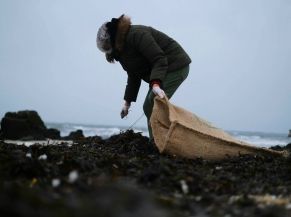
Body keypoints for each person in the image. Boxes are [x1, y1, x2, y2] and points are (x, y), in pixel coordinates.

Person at [96, 14, 191, 140]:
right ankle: (157, 142)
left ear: (113, 39)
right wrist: (127, 103)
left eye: (109, 48)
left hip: (175, 65)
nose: (109, 52)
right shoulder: (122, 51)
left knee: (151, 104)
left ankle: (163, 142)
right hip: (160, 71)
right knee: (148, 106)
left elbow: (159, 59)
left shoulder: (137, 34)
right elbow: (133, 75)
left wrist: (156, 84)